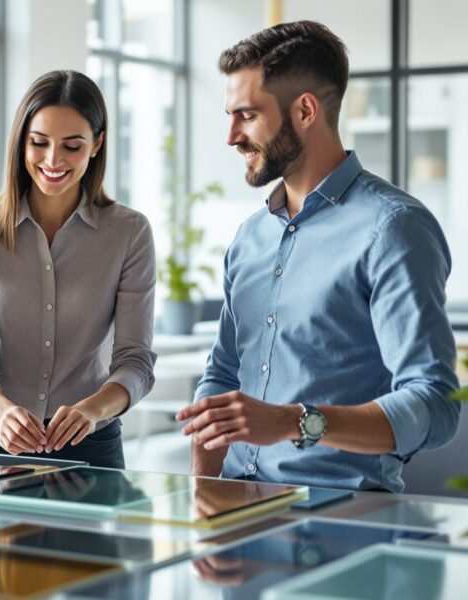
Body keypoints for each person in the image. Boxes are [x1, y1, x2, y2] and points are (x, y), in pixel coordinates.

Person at [177, 21, 459, 493]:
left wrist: (296, 422)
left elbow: (435, 403)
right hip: (234, 521)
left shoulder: (393, 229)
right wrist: (201, 491)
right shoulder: (250, 237)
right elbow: (223, 374)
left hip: (342, 523)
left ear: (305, 109)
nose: (231, 136)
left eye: (246, 114)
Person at [0, 70, 157, 469]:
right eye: (39, 143)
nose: (53, 160)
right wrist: (3, 411)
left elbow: (135, 360)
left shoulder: (129, 232)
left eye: (72, 146)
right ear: (21, 142)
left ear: (97, 145)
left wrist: (93, 410)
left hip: (92, 448)